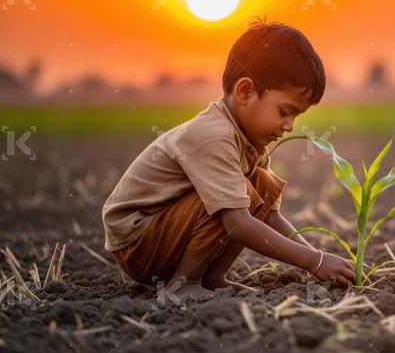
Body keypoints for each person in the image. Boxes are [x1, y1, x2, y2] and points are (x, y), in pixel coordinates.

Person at [101, 20, 355, 299]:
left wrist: (316, 261)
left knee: (261, 184)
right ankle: (180, 285)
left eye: (296, 116)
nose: (290, 125)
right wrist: (315, 261)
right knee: (233, 198)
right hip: (139, 243)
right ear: (245, 92)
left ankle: (209, 277)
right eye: (285, 111)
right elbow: (237, 222)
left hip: (165, 235)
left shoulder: (249, 142)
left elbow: (269, 215)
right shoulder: (212, 136)